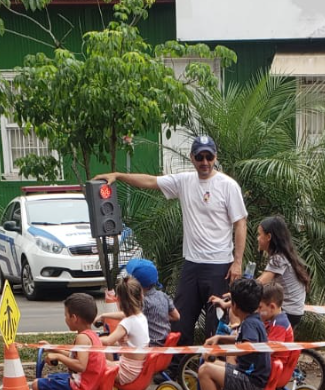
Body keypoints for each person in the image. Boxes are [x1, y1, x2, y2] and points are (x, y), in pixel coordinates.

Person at [93, 135, 248, 347]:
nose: (204, 162)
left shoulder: (228, 185)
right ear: (192, 157)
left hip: (219, 265)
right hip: (192, 263)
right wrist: (118, 175)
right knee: (181, 319)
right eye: (200, 157)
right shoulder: (184, 181)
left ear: (215, 157)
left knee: (217, 319)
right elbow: (150, 181)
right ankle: (176, 368)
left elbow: (240, 223)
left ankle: (215, 368)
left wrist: (237, 261)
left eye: (208, 157)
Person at [183, 278, 271, 390]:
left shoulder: (249, 324)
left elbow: (247, 347)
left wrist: (219, 351)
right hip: (249, 377)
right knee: (212, 364)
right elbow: (244, 341)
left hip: (250, 383)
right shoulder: (253, 320)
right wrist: (220, 338)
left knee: (205, 371)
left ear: (235, 306)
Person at [209, 216, 310, 329]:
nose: (257, 238)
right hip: (292, 311)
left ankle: (239, 334)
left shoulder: (278, 259)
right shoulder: (284, 257)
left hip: (286, 312)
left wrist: (229, 302)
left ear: (268, 237)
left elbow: (256, 286)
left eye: (259, 234)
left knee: (238, 312)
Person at [32, 293, 106, 390]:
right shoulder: (91, 335)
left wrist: (58, 356)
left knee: (37, 385)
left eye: (66, 315)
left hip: (82, 389)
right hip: (86, 383)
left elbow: (80, 365)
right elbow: (75, 356)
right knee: (50, 378)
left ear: (74, 318)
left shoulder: (82, 338)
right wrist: (53, 348)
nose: (65, 319)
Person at [239, 281, 294, 390]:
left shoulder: (278, 324)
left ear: (272, 306)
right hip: (274, 363)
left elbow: (270, 348)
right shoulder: (275, 320)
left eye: (260, 307)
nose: (257, 311)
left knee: (241, 365)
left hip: (274, 366)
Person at [99, 275, 150, 390]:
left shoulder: (126, 323)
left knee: (99, 367)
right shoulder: (140, 317)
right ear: (139, 295)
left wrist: (90, 339)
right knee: (106, 356)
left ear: (118, 300)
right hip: (137, 367)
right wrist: (104, 315)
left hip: (128, 372)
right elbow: (123, 315)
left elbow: (108, 341)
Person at [99, 258, 180, 347]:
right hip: (163, 343)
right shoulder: (163, 295)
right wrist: (158, 316)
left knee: (110, 345)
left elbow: (127, 315)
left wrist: (104, 315)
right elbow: (176, 316)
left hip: (150, 345)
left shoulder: (143, 302)